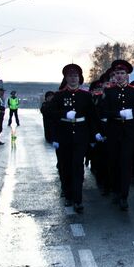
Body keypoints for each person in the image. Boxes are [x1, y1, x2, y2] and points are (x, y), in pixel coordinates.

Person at [48, 64, 99, 213]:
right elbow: (48, 112)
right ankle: (68, 194)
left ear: (80, 78)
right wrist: (63, 114)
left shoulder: (86, 96)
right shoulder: (59, 96)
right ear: (66, 78)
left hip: (81, 135)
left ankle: (77, 199)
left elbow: (92, 117)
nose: (73, 79)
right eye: (70, 76)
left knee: (77, 167)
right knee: (65, 167)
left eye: (75, 76)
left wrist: (95, 133)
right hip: (64, 135)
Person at [99, 60, 134, 210]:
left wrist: (132, 114)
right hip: (114, 131)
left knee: (126, 163)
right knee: (114, 163)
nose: (120, 76)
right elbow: (102, 111)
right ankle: (116, 191)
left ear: (127, 75)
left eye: (122, 73)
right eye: (117, 74)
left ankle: (124, 196)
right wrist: (117, 113)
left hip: (129, 133)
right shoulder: (109, 92)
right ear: (114, 75)